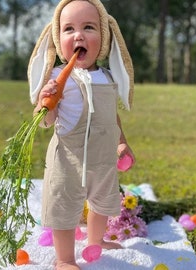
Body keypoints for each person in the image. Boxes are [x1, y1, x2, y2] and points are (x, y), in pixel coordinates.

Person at [27, 0, 135, 269]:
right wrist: (45, 102)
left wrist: (122, 142)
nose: (78, 35)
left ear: (104, 38)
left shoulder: (108, 78)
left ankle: (95, 243)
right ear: (57, 38)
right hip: (68, 159)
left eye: (89, 27)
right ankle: (64, 259)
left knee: (101, 202)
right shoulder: (56, 78)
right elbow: (45, 122)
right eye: (68, 29)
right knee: (64, 207)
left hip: (102, 158)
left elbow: (112, 116)